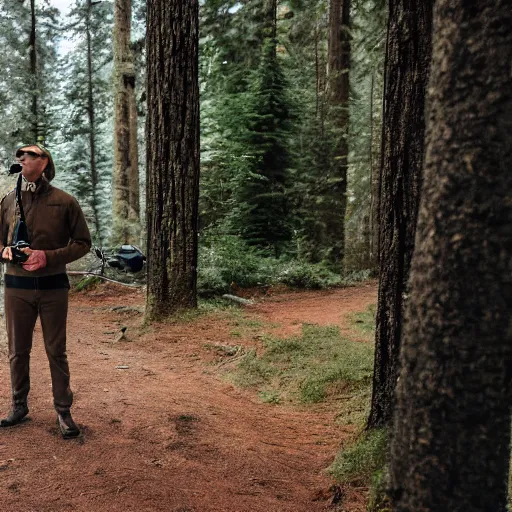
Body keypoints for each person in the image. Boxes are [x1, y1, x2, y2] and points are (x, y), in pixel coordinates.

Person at [0, 144, 91, 439]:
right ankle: (18, 406)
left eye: (29, 153)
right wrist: (6, 252)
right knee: (17, 351)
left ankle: (63, 412)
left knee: (56, 351)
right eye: (19, 155)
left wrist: (47, 257)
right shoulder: (8, 201)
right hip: (16, 288)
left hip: (53, 288)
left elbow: (82, 243)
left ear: (44, 162)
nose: (22, 158)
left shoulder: (65, 202)